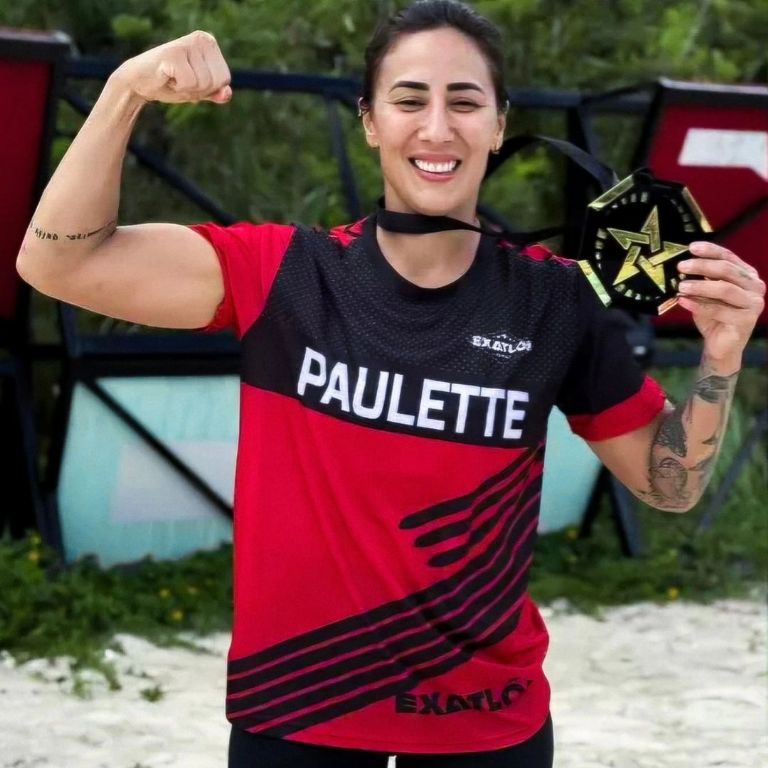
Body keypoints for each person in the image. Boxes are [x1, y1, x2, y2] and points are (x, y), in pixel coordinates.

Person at [16, 1, 765, 766]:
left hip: (485, 730)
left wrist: (722, 355)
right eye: (409, 100)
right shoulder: (285, 275)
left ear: (499, 125)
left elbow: (669, 484)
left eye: (464, 102)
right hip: (295, 716)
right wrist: (125, 90)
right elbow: (59, 263)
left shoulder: (556, 302)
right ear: (370, 122)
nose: (437, 128)